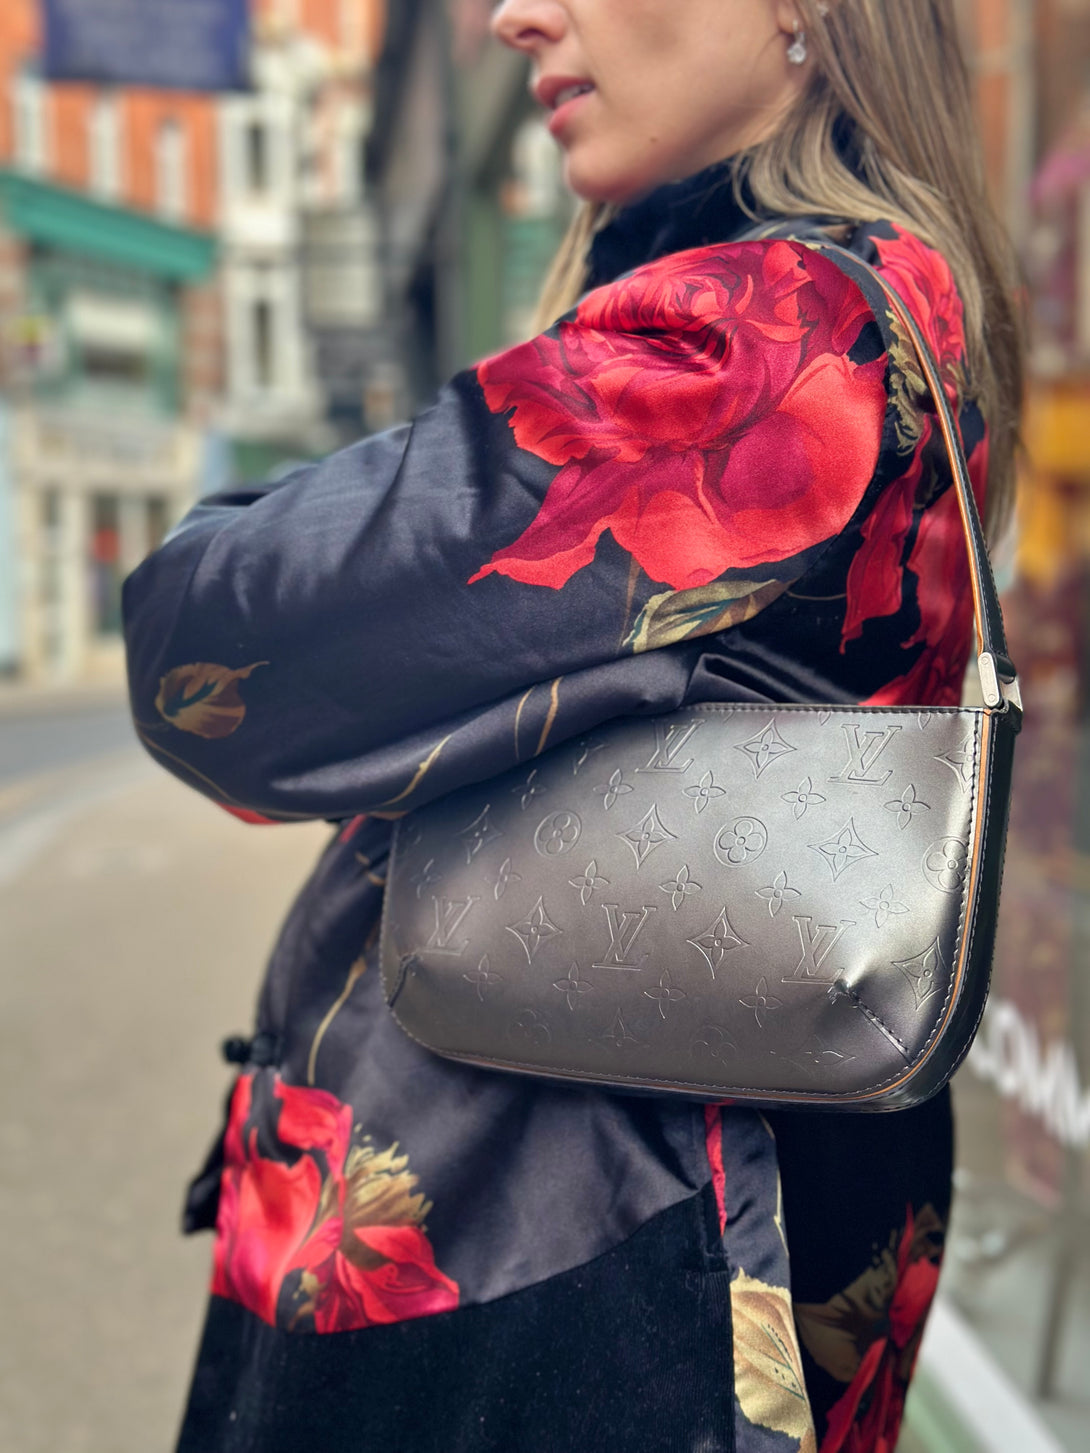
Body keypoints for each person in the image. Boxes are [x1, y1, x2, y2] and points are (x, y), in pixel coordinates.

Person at [123, 3, 1024, 1450]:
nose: (513, 16)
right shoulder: (879, 310)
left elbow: (207, 652)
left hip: (576, 1256)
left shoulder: (752, 344)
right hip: (694, 1217)